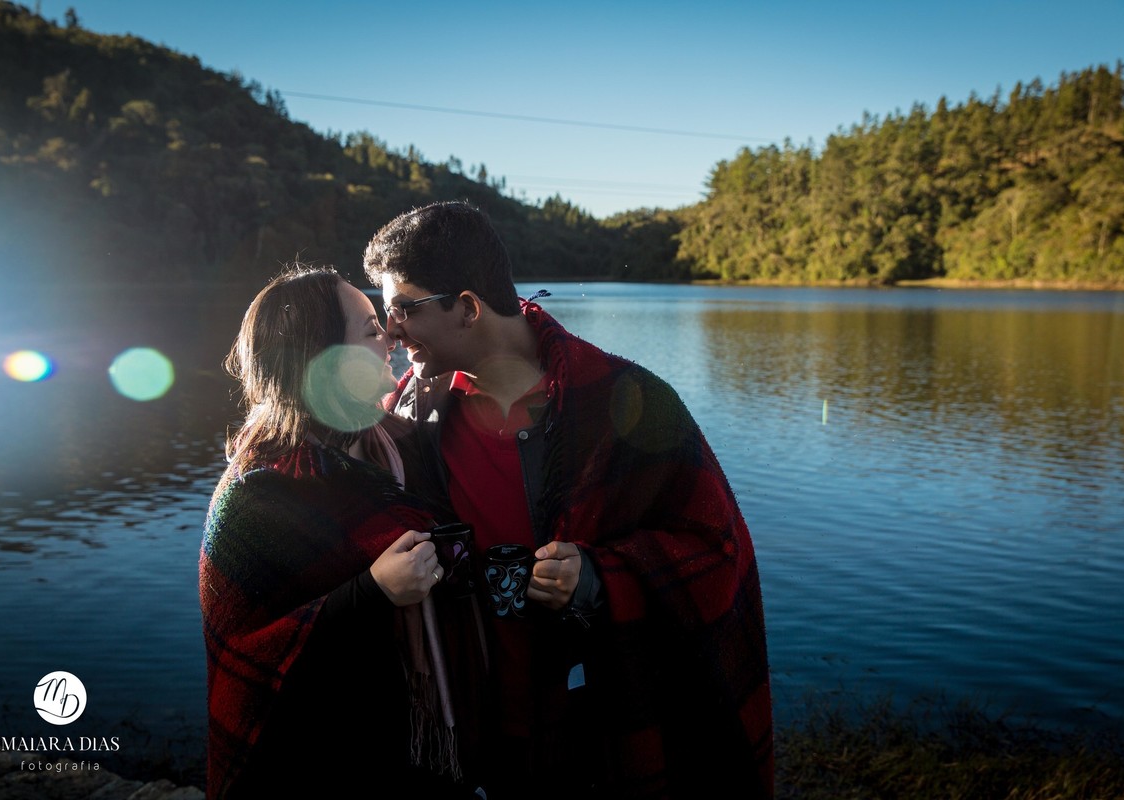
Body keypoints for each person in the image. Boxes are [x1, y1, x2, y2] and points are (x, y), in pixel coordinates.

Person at [364, 201, 775, 799]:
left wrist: (599, 577)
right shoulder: (407, 414)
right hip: (471, 725)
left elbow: (718, 553)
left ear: (469, 308)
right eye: (383, 311)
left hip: (599, 721)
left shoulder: (625, 398)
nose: (391, 330)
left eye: (404, 307)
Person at [200, 265, 471, 799]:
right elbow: (252, 648)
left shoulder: (395, 442)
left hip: (399, 740)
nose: (392, 336)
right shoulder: (260, 492)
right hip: (310, 760)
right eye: (371, 329)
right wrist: (372, 591)